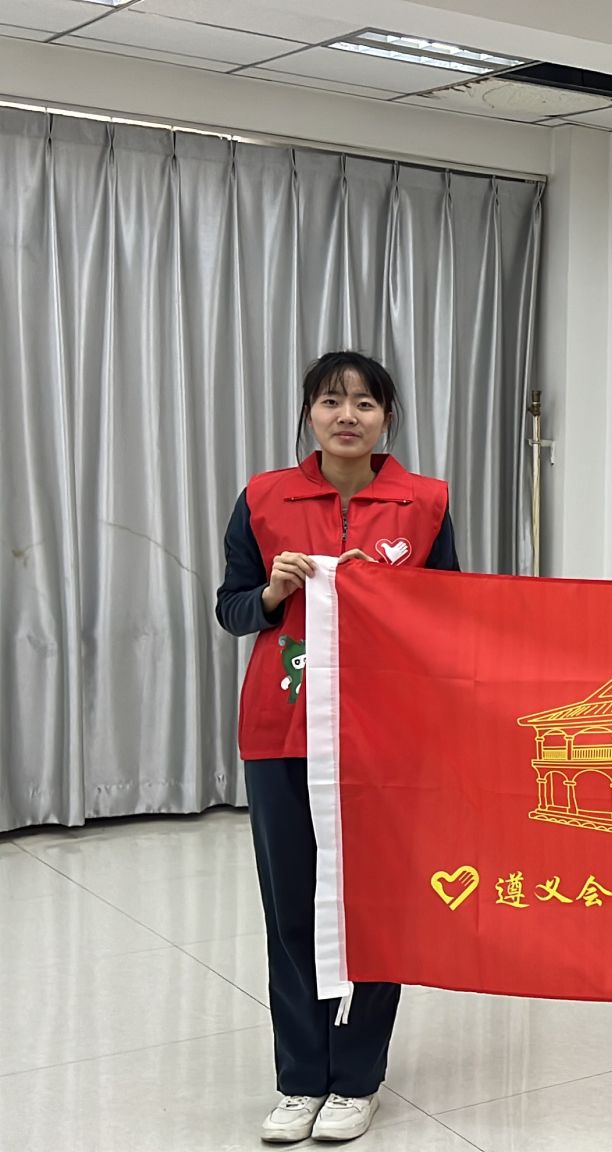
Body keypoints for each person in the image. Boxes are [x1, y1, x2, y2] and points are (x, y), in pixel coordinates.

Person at [214, 351, 459, 1145]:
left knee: (373, 908)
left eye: (364, 402)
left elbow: (451, 615)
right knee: (291, 907)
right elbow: (231, 608)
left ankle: (356, 1080)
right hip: (281, 731)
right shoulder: (264, 498)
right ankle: (299, 1080)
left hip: (384, 738)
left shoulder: (424, 503)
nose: (346, 416)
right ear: (309, 414)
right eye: (330, 401)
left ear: (387, 417)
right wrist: (273, 593)